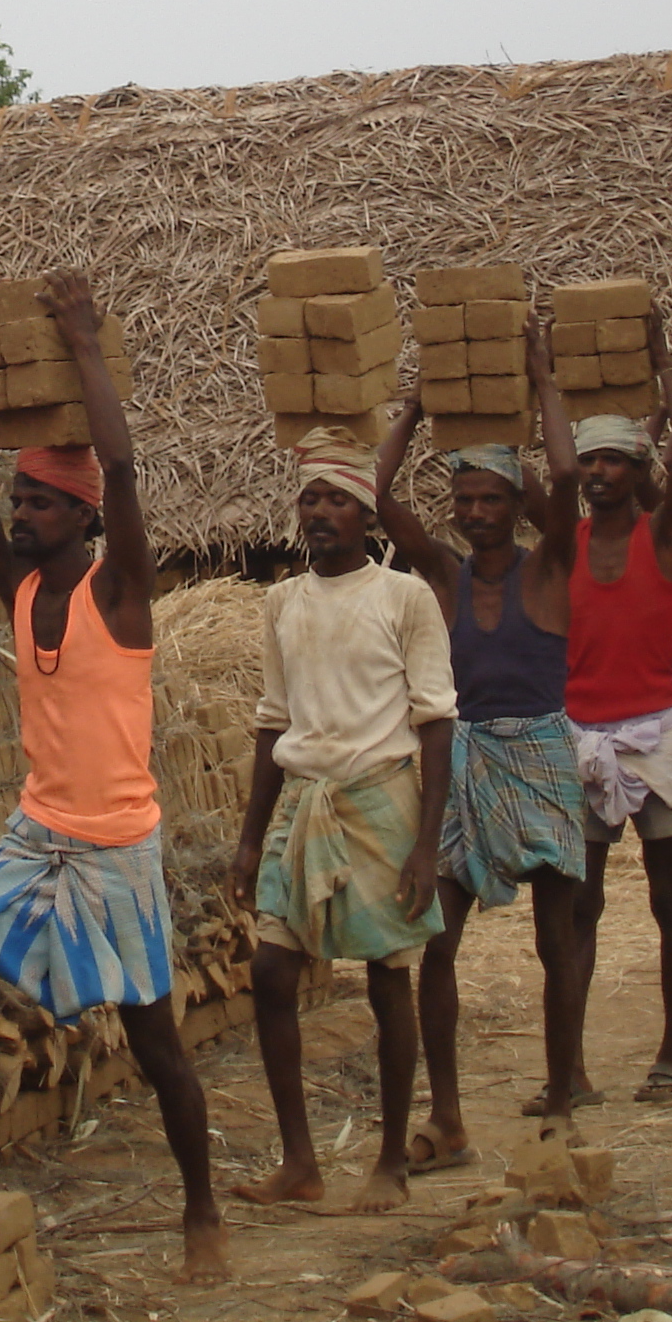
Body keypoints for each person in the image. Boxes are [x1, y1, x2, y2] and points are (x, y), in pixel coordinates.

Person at [0, 273, 226, 1284]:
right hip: (33, 838)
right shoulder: (16, 587)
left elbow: (125, 469)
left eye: (40, 502)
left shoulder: (119, 594)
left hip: (117, 847)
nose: (21, 515)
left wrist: (83, 342)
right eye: (21, 501)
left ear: (82, 517)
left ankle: (202, 1212)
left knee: (158, 1045)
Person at [375, 321, 587, 1166]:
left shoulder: (549, 569)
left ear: (515, 503)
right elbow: (372, 493)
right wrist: (417, 408)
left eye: (491, 499)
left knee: (557, 939)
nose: (474, 513)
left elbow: (568, 478)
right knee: (438, 940)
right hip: (461, 766)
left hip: (539, 754)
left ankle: (564, 1091)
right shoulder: (442, 576)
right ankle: (450, 1114)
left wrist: (542, 383)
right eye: (462, 502)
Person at [230, 432, 454, 1213]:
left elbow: (435, 721)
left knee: (390, 978)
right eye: (310, 498)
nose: (320, 513)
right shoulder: (282, 601)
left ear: (368, 516)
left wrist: (427, 842)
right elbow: (272, 719)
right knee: (270, 971)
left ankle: (389, 1159)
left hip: (379, 798)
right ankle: (300, 1161)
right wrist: (252, 833)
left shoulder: (404, 598)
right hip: (303, 798)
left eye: (338, 500)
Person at [558, 312, 672, 1103]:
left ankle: (671, 1056)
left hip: (656, 732)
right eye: (591, 460)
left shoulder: (667, 534)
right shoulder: (563, 545)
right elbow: (546, 465)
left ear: (638, 465)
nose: (600, 471)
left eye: (616, 458)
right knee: (581, 909)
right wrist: (546, 382)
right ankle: (572, 1070)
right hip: (582, 735)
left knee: (666, 896)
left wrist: (661, 365)